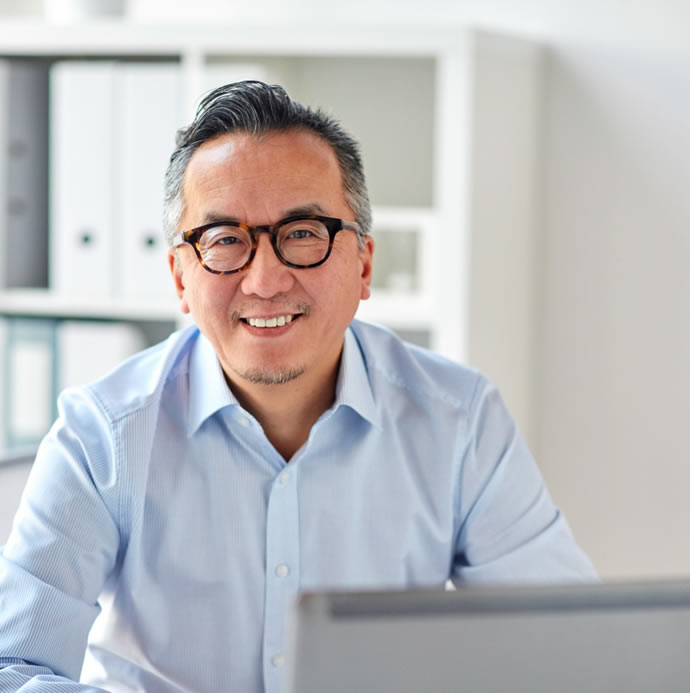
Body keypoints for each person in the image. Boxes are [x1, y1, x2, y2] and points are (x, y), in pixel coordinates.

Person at [0, 81, 596, 692]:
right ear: (180, 276)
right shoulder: (102, 434)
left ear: (363, 264)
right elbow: (13, 666)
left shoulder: (459, 420)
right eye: (225, 240)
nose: (264, 280)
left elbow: (567, 652)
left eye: (304, 232)